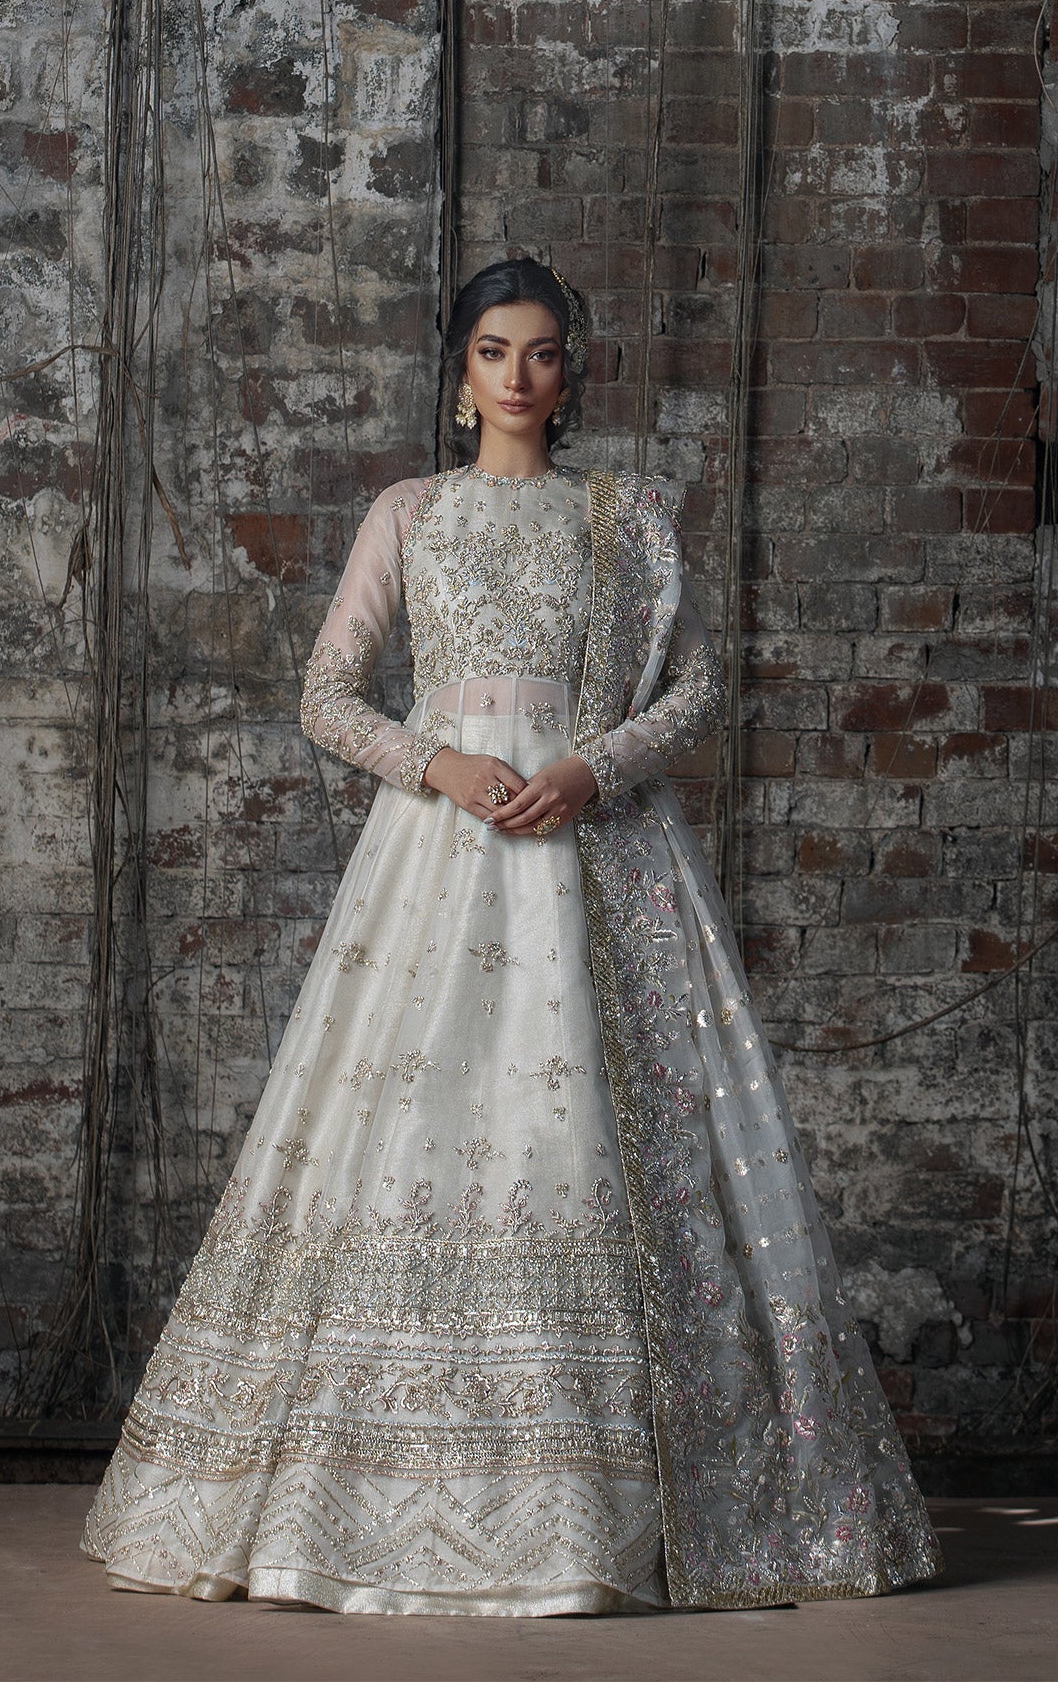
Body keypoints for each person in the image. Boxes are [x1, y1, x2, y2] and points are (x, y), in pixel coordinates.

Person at [83, 257, 942, 1613]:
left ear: (573, 369)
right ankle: (358, 1500)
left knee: (606, 1137)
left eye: (545, 354)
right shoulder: (409, 514)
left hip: (604, 853)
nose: (522, 379)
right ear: (459, 369)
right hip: (444, 854)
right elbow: (326, 692)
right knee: (409, 1137)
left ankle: (630, 1516)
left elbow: (703, 686)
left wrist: (594, 768)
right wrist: (441, 767)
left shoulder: (630, 516)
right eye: (496, 353)